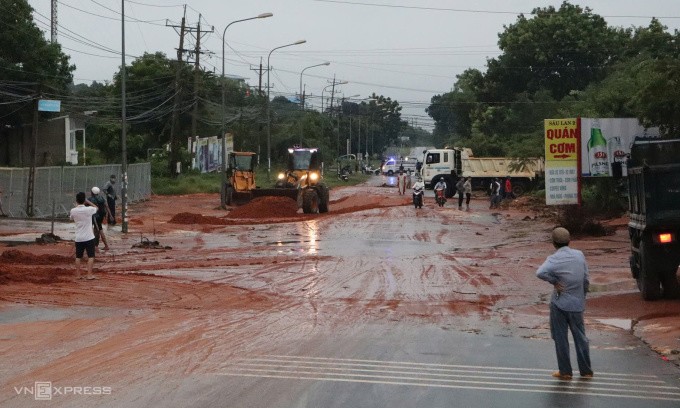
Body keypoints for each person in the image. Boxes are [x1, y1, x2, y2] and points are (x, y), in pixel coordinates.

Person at [536, 227, 593, 381]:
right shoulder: (579, 255)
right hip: (577, 303)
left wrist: (554, 281)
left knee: (561, 338)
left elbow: (540, 273)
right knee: (580, 337)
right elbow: (586, 279)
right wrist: (582, 294)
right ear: (569, 241)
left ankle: (565, 371)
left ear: (553, 243)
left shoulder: (553, 259)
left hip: (559, 303)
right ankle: (586, 370)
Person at [69, 192, 99, 280]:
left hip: (79, 237)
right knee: (91, 256)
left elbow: (71, 218)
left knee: (78, 257)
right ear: (84, 200)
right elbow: (96, 208)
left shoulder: (73, 210)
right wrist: (88, 202)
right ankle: (89, 275)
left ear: (76, 200)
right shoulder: (89, 209)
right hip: (89, 237)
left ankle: (78, 275)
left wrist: (76, 206)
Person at [90, 187, 110, 251]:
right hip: (101, 216)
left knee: (98, 231)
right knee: (98, 230)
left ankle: (98, 246)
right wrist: (110, 215)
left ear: (92, 192)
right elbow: (106, 206)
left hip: (95, 217)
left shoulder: (91, 199)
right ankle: (98, 245)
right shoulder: (102, 198)